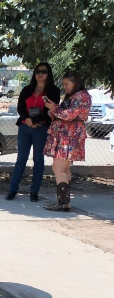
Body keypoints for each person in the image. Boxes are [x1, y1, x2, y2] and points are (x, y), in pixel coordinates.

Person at [6, 63, 61, 202]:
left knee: (38, 160)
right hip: (25, 127)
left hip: (41, 128)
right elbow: (20, 107)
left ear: (49, 74)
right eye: (37, 71)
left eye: (43, 71)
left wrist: (35, 120)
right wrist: (27, 119)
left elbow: (52, 111)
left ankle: (34, 191)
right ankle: (12, 189)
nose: (40, 74)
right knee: (21, 159)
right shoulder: (27, 89)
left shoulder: (53, 91)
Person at [42, 71, 92, 211]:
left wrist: (53, 108)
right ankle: (64, 202)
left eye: (67, 84)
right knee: (64, 169)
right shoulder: (76, 96)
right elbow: (61, 114)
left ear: (75, 83)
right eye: (63, 84)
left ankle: (63, 203)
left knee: (58, 168)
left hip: (68, 136)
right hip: (66, 135)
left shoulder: (82, 97)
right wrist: (53, 109)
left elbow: (68, 115)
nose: (65, 87)